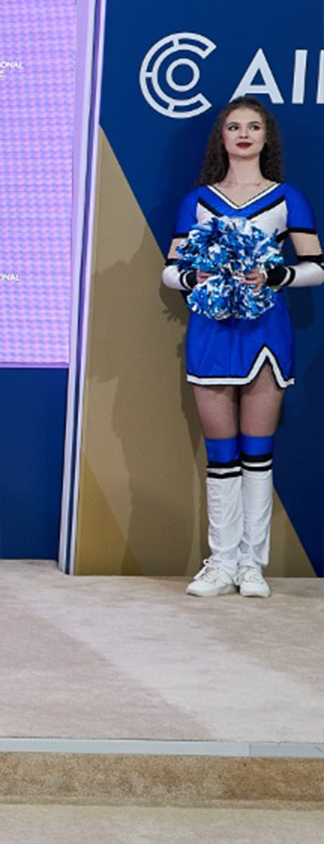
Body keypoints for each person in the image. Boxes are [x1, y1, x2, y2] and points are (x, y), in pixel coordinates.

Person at [167, 96, 320, 599]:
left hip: (265, 333)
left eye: (254, 126)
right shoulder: (197, 201)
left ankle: (252, 565)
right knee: (221, 453)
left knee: (257, 451)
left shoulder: (288, 198)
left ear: (266, 137)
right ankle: (221, 562)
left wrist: (275, 275)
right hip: (211, 332)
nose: (244, 134)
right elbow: (170, 270)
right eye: (234, 126)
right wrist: (195, 277)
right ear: (222, 137)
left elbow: (317, 267)